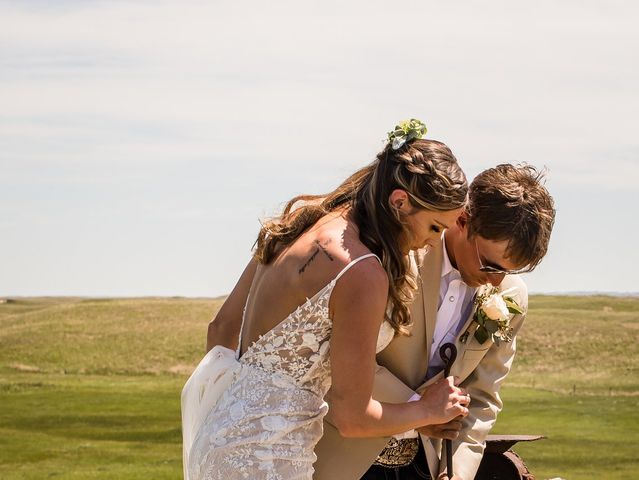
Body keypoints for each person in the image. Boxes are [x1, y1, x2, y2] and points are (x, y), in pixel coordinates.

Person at [182, 120, 472, 480]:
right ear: (400, 202)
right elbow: (353, 418)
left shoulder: (300, 221)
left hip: (218, 442)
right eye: (434, 227)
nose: (432, 243)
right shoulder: (362, 271)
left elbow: (221, 330)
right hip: (272, 458)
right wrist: (429, 410)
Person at [314, 164, 556, 480]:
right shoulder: (391, 258)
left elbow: (481, 399)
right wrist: (419, 411)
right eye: (489, 264)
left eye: (509, 271)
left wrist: (457, 473)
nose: (495, 282)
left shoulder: (511, 297)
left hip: (424, 468)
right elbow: (339, 357)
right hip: (340, 455)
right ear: (462, 220)